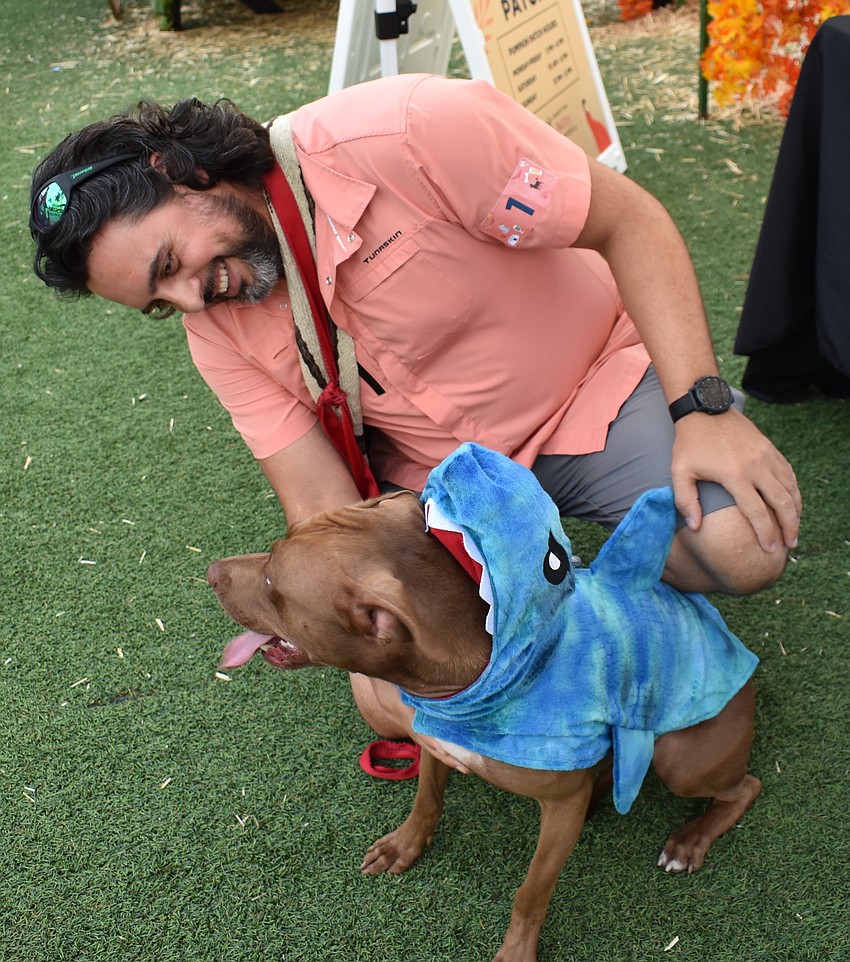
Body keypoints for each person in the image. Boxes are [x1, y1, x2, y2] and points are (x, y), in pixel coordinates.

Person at [30, 74, 800, 741]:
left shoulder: (408, 131)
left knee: (744, 546)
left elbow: (626, 221)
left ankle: (570, 595)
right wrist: (332, 616)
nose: (191, 299)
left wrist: (706, 411)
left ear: (182, 172)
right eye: (158, 303)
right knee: (388, 702)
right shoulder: (214, 329)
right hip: (447, 485)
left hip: (591, 388)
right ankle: (555, 590)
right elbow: (322, 508)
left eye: (171, 265)